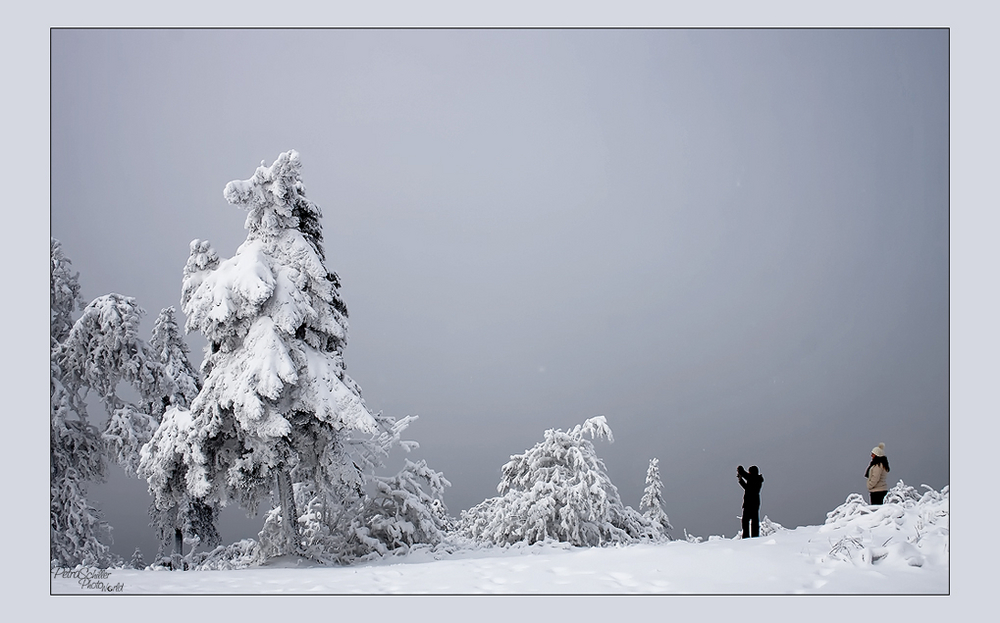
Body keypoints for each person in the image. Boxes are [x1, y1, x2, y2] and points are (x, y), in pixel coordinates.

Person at [737, 464, 763, 538]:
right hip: (753, 503)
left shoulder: (755, 479)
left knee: (746, 521)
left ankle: (747, 537)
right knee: (753, 521)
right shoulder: (756, 480)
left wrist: (741, 470)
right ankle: (753, 536)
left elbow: (747, 477)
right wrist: (740, 480)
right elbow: (747, 488)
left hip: (750, 503)